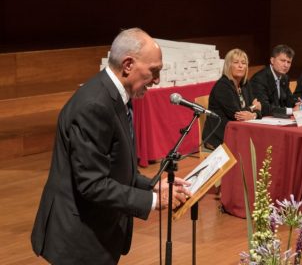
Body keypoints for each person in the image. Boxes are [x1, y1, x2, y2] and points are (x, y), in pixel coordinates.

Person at [31, 28, 192, 264]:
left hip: (97, 231)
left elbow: (114, 166)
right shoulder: (94, 105)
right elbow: (93, 183)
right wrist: (155, 201)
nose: (157, 80)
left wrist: (152, 185)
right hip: (78, 239)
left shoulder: (116, 95)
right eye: (154, 71)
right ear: (128, 65)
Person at [202, 48, 262, 149]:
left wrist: (254, 115)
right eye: (236, 62)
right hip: (220, 136)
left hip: (238, 132)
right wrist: (253, 108)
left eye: (243, 63)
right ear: (228, 65)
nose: (240, 66)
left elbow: (260, 108)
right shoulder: (222, 86)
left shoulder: (245, 84)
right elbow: (237, 115)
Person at [250, 44, 300, 116]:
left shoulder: (284, 78)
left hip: (278, 118)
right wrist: (291, 111)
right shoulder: (259, 79)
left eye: (289, 62)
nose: (286, 65)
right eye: (283, 61)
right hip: (265, 119)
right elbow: (264, 107)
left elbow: (288, 99)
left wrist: (298, 103)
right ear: (272, 60)